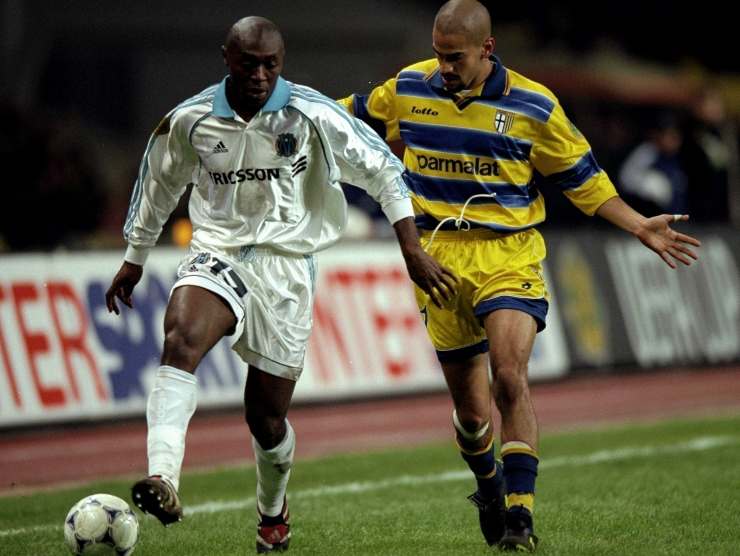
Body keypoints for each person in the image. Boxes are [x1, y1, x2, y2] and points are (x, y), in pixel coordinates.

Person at [339, 0, 701, 551]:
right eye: (437, 55)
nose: (444, 67)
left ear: (487, 49)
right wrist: (282, 109)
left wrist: (637, 226)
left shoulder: (534, 104)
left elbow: (584, 180)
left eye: (454, 57)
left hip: (509, 255)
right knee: (470, 413)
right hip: (439, 259)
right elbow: (342, 116)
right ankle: (489, 483)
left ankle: (520, 518)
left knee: (509, 376)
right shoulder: (411, 87)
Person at [105, 16, 455, 554]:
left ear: (282, 61)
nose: (261, 75)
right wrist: (135, 258)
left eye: (272, 64)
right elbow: (158, 182)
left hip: (288, 271)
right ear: (227, 58)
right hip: (217, 253)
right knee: (180, 338)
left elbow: (385, 170)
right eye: (250, 63)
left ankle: (273, 509)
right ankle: (163, 478)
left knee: (266, 420)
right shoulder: (191, 119)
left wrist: (412, 249)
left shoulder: (313, 114)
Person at [618, 112, 689, 217]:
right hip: (644, 210)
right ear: (658, 136)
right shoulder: (647, 152)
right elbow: (626, 181)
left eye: (676, 137)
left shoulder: (679, 156)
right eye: (670, 137)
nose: (674, 142)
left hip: (676, 215)